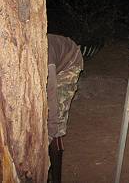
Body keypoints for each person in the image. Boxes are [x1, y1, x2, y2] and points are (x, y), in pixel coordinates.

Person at [47, 34, 84, 183]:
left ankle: (55, 176)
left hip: (69, 62)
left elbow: (52, 96)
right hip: (55, 58)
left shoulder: (45, 59)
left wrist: (52, 130)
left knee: (55, 119)